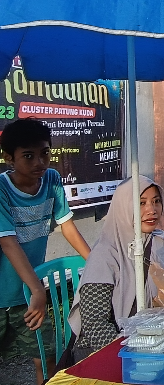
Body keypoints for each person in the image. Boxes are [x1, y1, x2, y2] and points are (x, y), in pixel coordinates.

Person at [0, 118, 91, 384]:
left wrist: (96, 262)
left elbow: (67, 226)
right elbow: (8, 242)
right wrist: (39, 290)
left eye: (45, 153)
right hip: (16, 290)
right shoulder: (2, 189)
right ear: (9, 158)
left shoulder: (51, 179)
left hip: (26, 295)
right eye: (28, 156)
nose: (40, 162)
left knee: (48, 357)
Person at [67, 176, 164, 361]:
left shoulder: (163, 243)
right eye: (141, 203)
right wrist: (132, 355)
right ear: (124, 207)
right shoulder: (104, 255)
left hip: (153, 340)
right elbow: (95, 326)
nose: (152, 210)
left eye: (156, 201)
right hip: (104, 351)